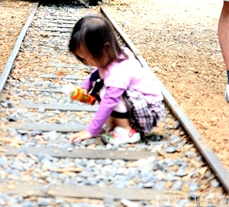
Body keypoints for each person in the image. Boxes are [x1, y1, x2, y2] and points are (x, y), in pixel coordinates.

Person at [68, 15, 164, 145]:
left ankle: (127, 130)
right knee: (104, 87)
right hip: (138, 104)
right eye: (83, 59)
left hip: (148, 110)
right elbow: (98, 72)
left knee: (108, 93)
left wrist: (92, 130)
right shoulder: (116, 54)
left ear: (106, 48)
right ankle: (116, 124)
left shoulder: (118, 72)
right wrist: (86, 86)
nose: (88, 63)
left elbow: (109, 101)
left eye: (89, 58)